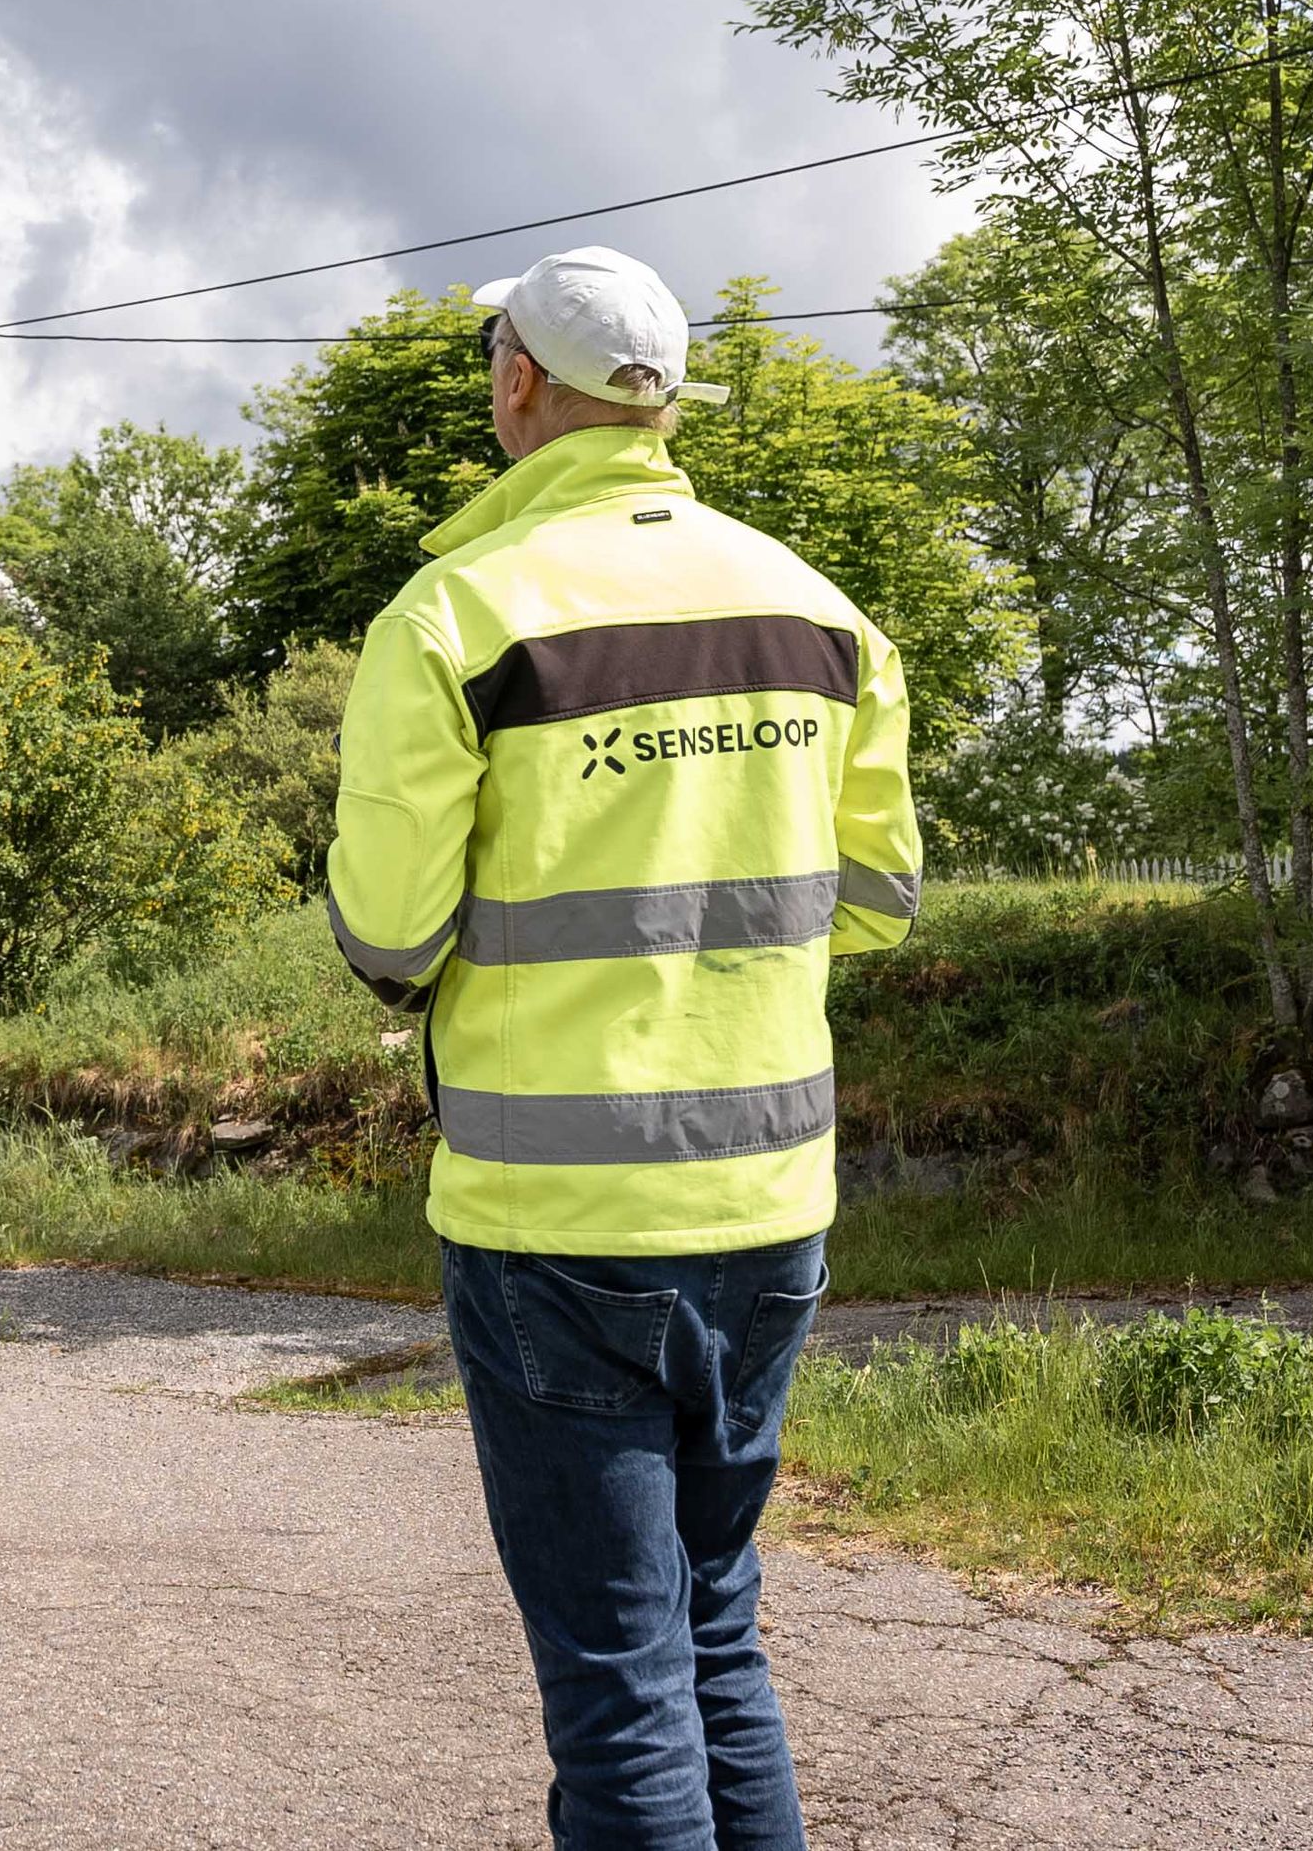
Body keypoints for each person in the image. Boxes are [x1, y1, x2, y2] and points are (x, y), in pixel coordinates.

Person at [326, 244, 919, 1851]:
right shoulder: (817, 610)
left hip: (557, 1226)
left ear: (519, 381)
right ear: (665, 401)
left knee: (617, 1676)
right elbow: (873, 899)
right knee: (713, 1623)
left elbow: (388, 936)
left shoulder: (455, 613)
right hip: (773, 1202)